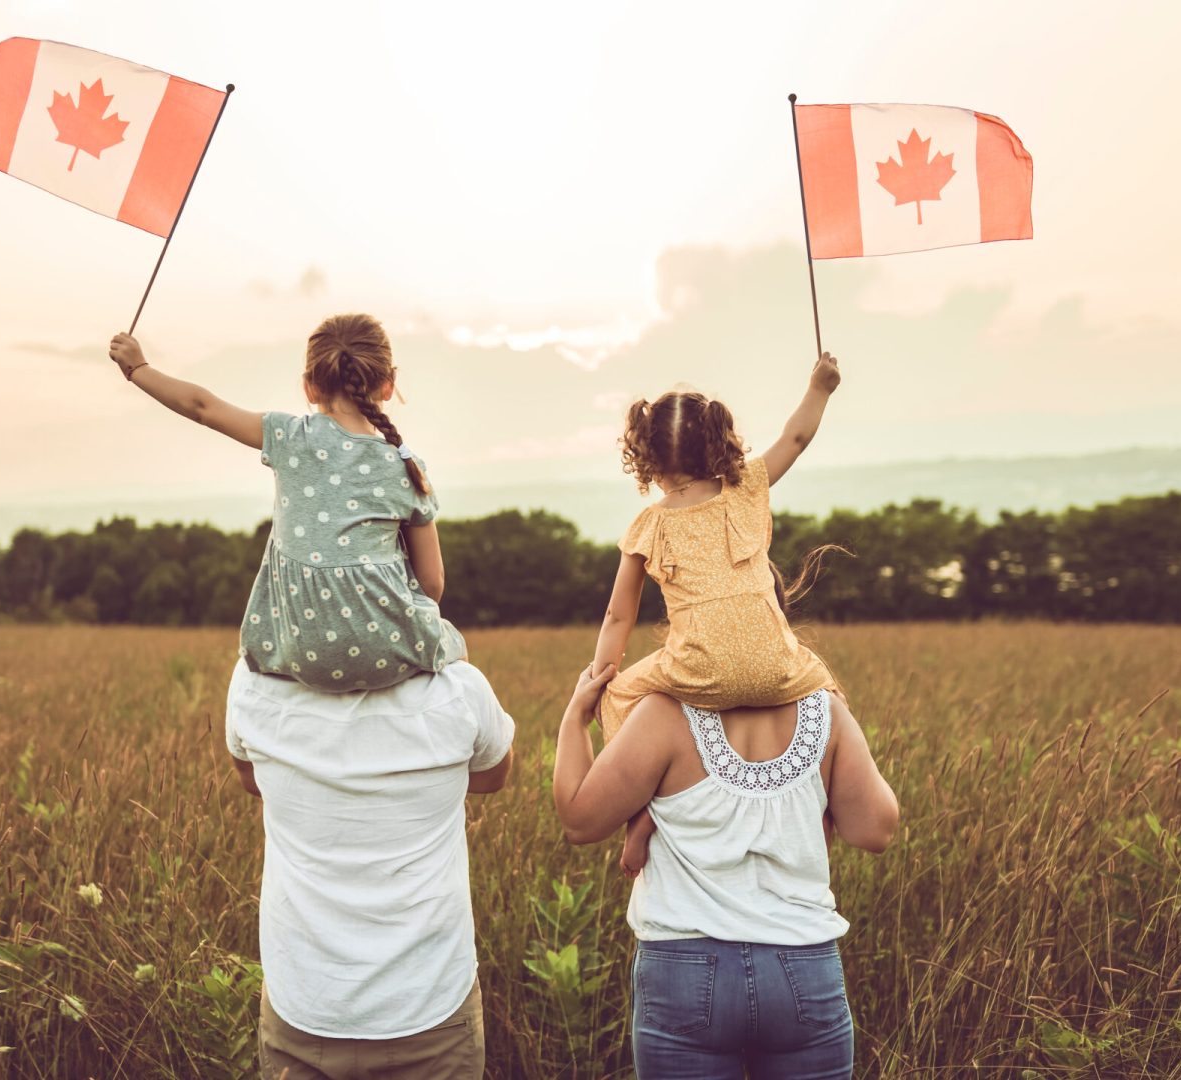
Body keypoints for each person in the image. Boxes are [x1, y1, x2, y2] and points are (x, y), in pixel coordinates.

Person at [551, 661, 899, 1078]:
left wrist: (576, 717)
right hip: (801, 962)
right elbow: (874, 831)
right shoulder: (825, 712)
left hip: (684, 967)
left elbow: (580, 823)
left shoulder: (662, 712)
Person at [108, 312, 466, 692]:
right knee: (461, 671)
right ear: (389, 384)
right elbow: (432, 584)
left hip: (299, 654)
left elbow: (202, 407)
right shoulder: (405, 466)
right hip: (391, 653)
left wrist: (138, 369)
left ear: (309, 387)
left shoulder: (288, 437)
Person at [589, 351, 848, 865]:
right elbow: (796, 438)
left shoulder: (648, 525)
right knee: (831, 697)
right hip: (777, 664)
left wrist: (599, 679)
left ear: (646, 457)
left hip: (698, 671)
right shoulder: (747, 488)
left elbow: (618, 616)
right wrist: (820, 387)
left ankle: (642, 818)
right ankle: (827, 809)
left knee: (618, 699)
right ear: (717, 441)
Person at [225, 658, 516, 1079]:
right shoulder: (458, 688)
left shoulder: (254, 682)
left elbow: (251, 777)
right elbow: (493, 774)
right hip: (431, 1011)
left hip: (304, 1008)